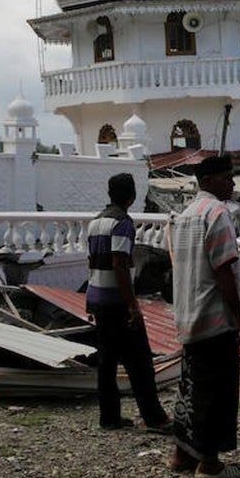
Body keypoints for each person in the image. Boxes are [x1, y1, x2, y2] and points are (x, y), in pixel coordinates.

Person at [168, 155, 240, 478]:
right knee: (215, 391)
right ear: (213, 180)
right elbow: (224, 270)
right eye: (228, 177)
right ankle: (209, 461)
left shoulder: (184, 215)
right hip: (214, 317)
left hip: (188, 315)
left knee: (190, 385)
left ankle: (181, 453)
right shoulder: (217, 214)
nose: (232, 184)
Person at [85, 173, 170, 432]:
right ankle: (153, 417)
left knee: (107, 362)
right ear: (132, 196)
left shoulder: (95, 222)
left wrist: (89, 299)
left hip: (98, 297)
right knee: (140, 361)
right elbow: (120, 264)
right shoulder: (122, 223)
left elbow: (92, 263)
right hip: (117, 302)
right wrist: (133, 304)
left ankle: (109, 417)